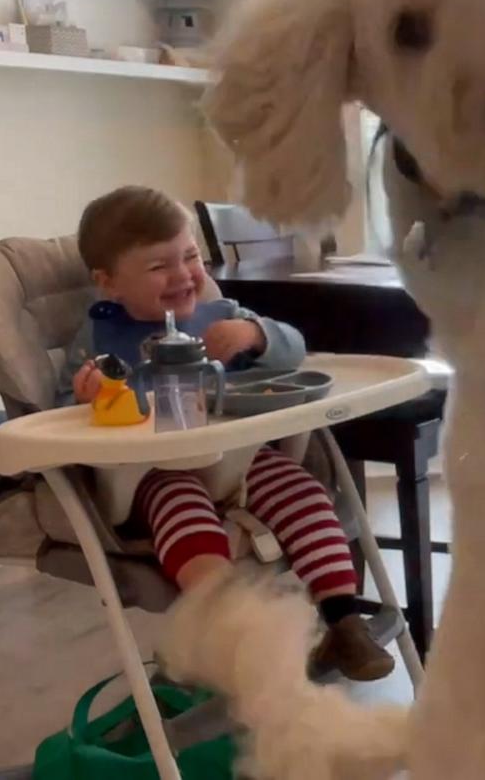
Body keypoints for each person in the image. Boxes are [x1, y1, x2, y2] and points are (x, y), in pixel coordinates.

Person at [59, 185, 396, 681]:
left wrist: (256, 336)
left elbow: (296, 352)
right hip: (156, 475)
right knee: (182, 510)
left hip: (241, 459)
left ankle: (344, 619)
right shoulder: (98, 342)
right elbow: (63, 420)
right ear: (108, 283)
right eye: (158, 267)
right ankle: (237, 630)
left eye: (191, 256)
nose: (183, 275)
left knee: (302, 490)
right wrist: (87, 396)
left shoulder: (223, 315)